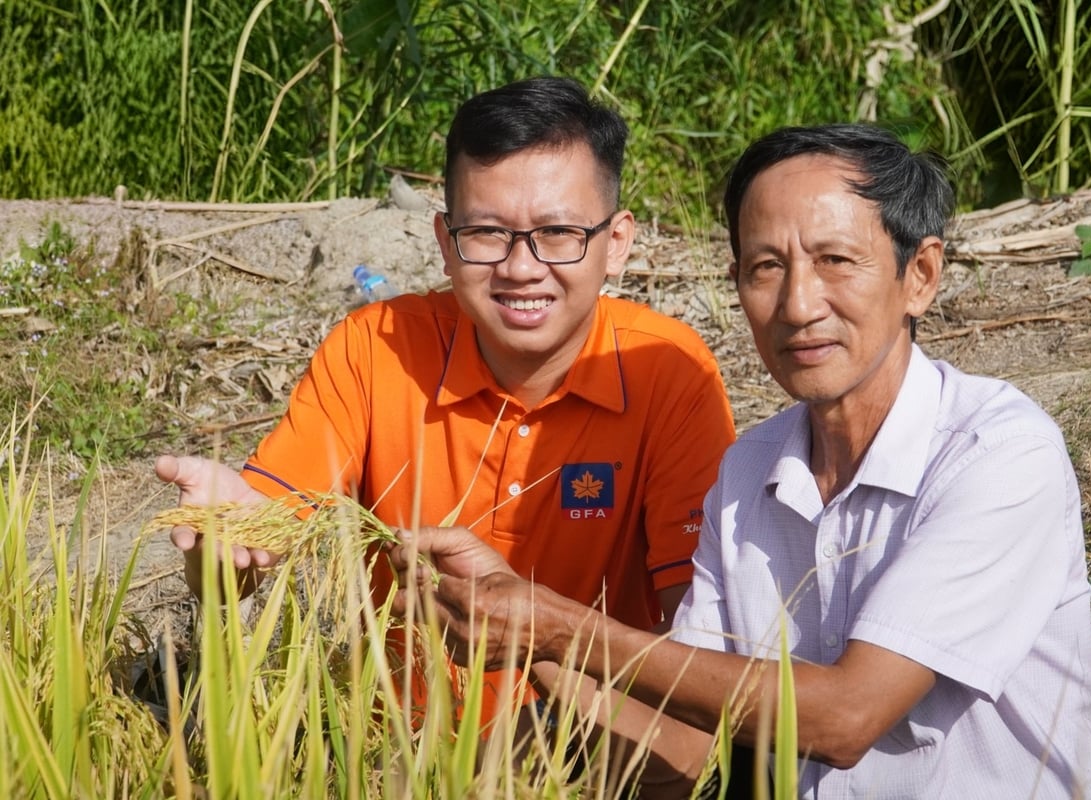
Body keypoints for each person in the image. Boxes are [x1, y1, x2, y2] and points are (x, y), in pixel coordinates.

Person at [410, 123, 1091, 798]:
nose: (798, 303)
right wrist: (516, 628)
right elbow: (687, 743)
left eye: (836, 261)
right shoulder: (750, 471)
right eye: (765, 268)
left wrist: (558, 627)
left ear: (922, 276)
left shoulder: (998, 453)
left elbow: (844, 719)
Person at [155, 76, 736, 723]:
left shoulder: (669, 373)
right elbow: (244, 557)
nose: (521, 267)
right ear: (442, 239)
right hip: (401, 755)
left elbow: (703, 638)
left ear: (617, 243)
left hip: (597, 748)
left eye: (559, 233)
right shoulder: (374, 349)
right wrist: (222, 541)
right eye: (486, 233)